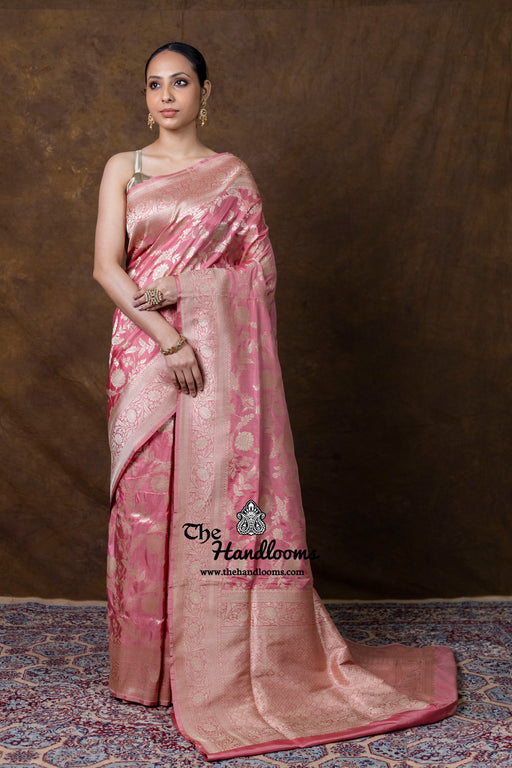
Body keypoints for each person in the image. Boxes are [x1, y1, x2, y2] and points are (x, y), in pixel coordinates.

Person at [93, 42, 457, 761]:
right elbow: (107, 268)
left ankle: (210, 662)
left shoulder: (232, 176)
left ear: (204, 93)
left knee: (207, 504)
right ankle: (144, 673)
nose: (166, 96)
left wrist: (190, 293)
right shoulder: (122, 168)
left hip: (216, 360)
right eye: (154, 84)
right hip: (143, 354)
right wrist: (168, 339)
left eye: (180, 83)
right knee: (143, 508)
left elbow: (258, 277)